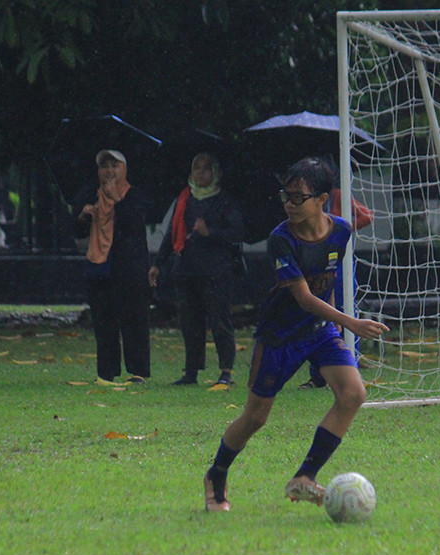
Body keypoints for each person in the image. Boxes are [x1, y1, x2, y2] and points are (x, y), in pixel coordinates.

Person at [202, 157, 390, 512]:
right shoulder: (281, 238)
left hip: (320, 330)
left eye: (297, 197)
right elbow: (303, 297)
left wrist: (335, 323)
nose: (289, 203)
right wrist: (351, 322)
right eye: (285, 196)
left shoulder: (341, 231)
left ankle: (305, 476)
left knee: (352, 394)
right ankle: (216, 473)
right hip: (279, 336)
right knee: (256, 417)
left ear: (322, 199)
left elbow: (327, 279)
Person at [148, 152, 245, 388]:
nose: (201, 173)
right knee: (190, 323)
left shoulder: (225, 201)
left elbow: (237, 233)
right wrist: (158, 264)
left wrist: (209, 232)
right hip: (187, 270)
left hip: (216, 271)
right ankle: (191, 371)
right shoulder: (185, 199)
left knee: (220, 321)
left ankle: (226, 371)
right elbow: (172, 233)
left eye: (207, 168)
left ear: (216, 173)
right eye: (197, 168)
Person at [76, 149, 153, 384]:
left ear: (124, 169)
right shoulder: (91, 194)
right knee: (103, 320)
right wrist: (83, 216)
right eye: (104, 166)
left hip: (129, 266)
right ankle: (106, 371)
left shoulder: (135, 195)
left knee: (133, 318)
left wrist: (116, 199)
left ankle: (138, 371)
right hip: (99, 265)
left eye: (114, 165)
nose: (109, 171)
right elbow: (77, 232)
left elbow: (135, 224)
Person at [299, 177, 374, 390]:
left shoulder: (337, 196)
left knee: (345, 312)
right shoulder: (304, 202)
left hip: (341, 262)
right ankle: (318, 375)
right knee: (318, 315)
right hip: (316, 261)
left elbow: (367, 215)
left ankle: (350, 369)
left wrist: (341, 231)